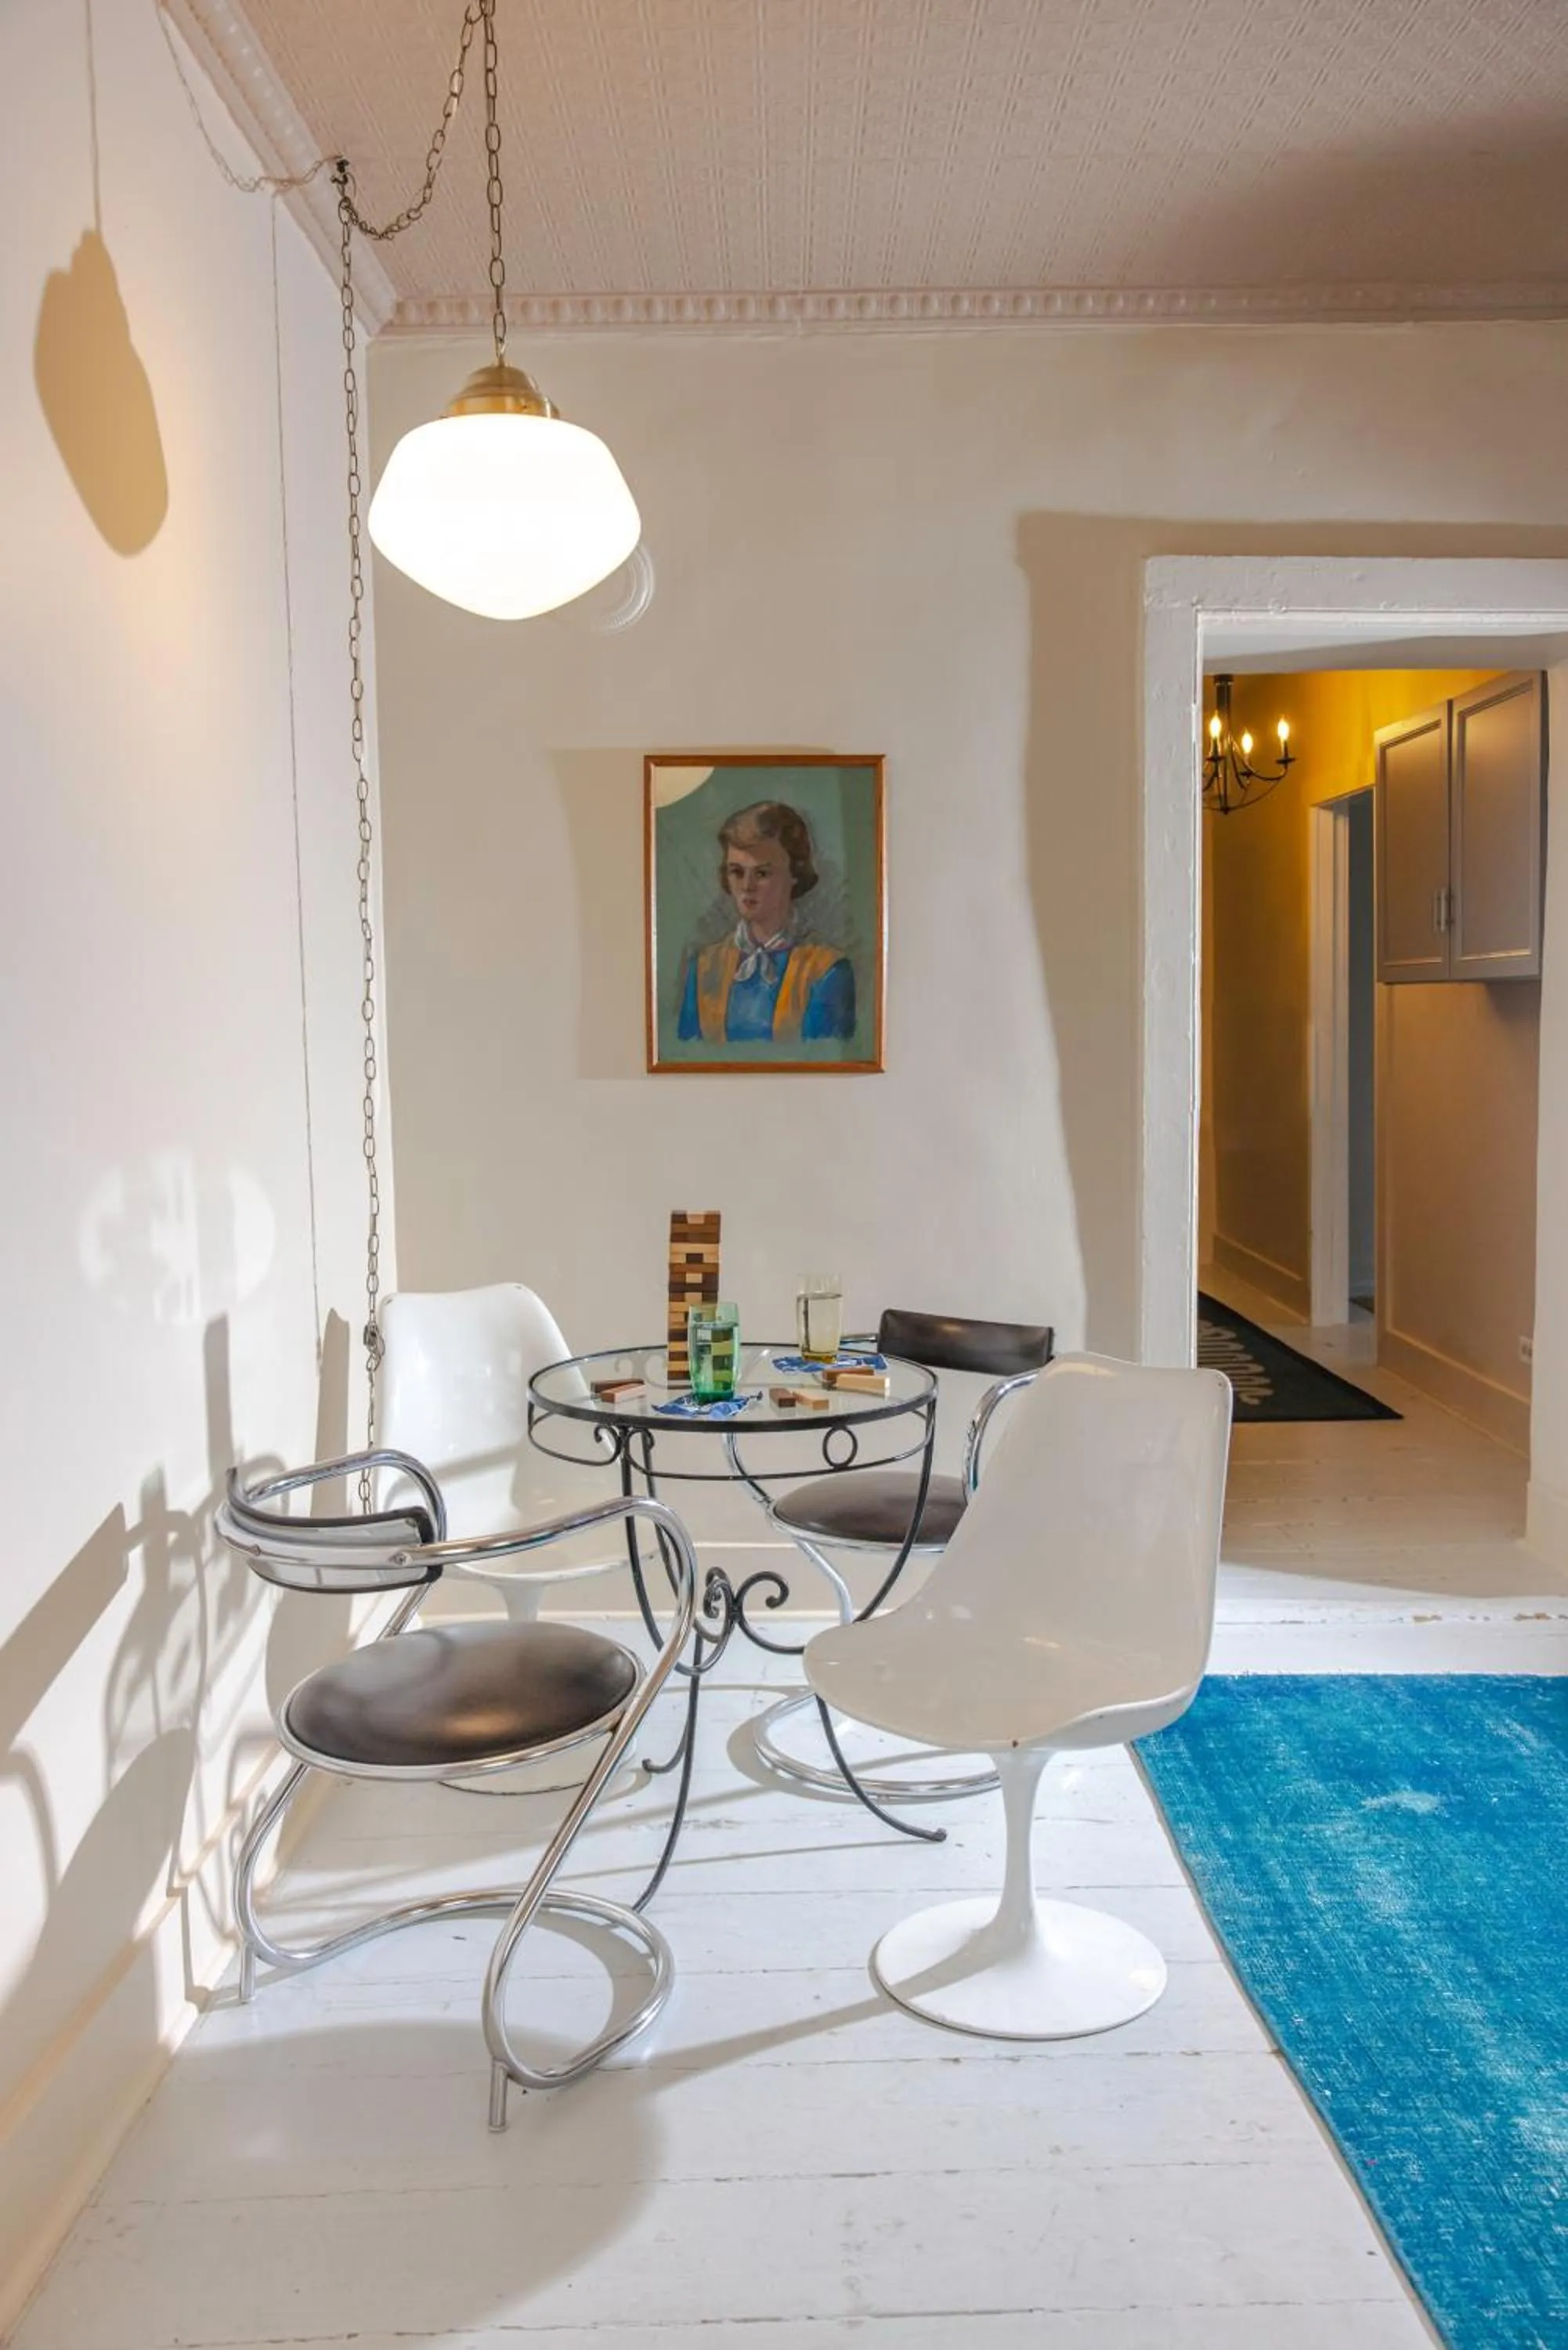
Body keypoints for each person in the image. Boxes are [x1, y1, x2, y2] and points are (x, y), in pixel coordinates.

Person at [677, 801, 855, 1046]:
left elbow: (822, 1064)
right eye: (736, 872)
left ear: (795, 873)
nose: (747, 886)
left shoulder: (827, 969)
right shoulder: (705, 966)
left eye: (762, 873)